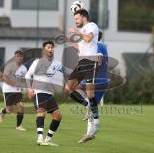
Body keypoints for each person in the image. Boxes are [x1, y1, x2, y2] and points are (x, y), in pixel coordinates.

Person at [63, 9, 100, 142]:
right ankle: (86, 105)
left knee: (91, 94)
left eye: (77, 19)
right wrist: (67, 40)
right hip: (81, 62)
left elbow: (89, 39)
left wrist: (77, 32)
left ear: (84, 17)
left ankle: (96, 123)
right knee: (68, 89)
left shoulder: (92, 26)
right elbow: (81, 47)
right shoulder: (83, 30)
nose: (76, 21)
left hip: (90, 61)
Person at [25, 40, 63, 146]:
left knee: (58, 116)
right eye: (48, 47)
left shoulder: (56, 63)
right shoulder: (37, 62)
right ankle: (39, 138)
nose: (50, 49)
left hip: (49, 94)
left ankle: (48, 139)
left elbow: (67, 71)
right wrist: (29, 88)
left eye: (52, 47)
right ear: (44, 49)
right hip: (38, 91)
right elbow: (28, 75)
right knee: (41, 111)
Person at [78, 30, 109, 143]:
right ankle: (90, 133)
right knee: (92, 105)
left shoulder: (98, 47)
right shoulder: (100, 46)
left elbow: (99, 61)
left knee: (75, 87)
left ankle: (87, 107)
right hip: (101, 80)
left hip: (97, 80)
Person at [0, 50, 27, 131]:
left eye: (21, 56)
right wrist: (13, 84)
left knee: (21, 106)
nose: (19, 58)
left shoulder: (24, 68)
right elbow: (4, 78)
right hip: (8, 90)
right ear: (15, 57)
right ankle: (3, 111)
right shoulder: (9, 66)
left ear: (23, 58)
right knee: (9, 110)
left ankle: (19, 126)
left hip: (18, 91)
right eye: (17, 56)